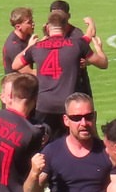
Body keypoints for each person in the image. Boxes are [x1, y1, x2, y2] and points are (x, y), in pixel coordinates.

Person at [21, 9, 107, 138]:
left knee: (42, 144)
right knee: (73, 142)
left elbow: (16, 64)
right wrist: (99, 48)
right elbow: (103, 63)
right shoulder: (77, 44)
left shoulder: (37, 47)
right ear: (66, 26)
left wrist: (30, 48)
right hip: (68, 105)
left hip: (44, 105)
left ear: (47, 27)